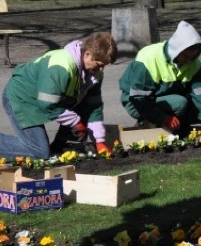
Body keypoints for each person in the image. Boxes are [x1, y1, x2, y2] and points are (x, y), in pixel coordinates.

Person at [0, 32, 118, 161]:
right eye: (99, 64)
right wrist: (75, 122)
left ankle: (60, 148)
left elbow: (92, 107)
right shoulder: (61, 66)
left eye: (104, 66)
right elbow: (47, 103)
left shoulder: (95, 73)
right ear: (87, 53)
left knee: (83, 111)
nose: (101, 69)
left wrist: (99, 141)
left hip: (47, 99)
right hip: (22, 98)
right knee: (39, 151)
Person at [119, 20, 201, 135]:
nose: (188, 60)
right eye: (184, 56)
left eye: (192, 57)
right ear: (176, 50)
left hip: (165, 95)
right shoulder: (148, 59)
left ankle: (179, 125)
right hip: (135, 102)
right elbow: (138, 99)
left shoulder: (193, 64)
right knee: (179, 103)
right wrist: (163, 118)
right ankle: (148, 123)